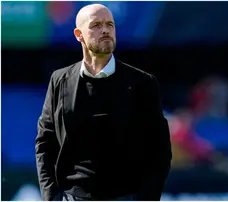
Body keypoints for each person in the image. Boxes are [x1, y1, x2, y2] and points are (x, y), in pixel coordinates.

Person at [35, 4, 172, 201]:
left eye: (110, 24)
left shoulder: (143, 83)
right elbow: (45, 143)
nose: (105, 30)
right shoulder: (60, 81)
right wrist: (52, 198)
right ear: (78, 34)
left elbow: (160, 150)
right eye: (96, 25)